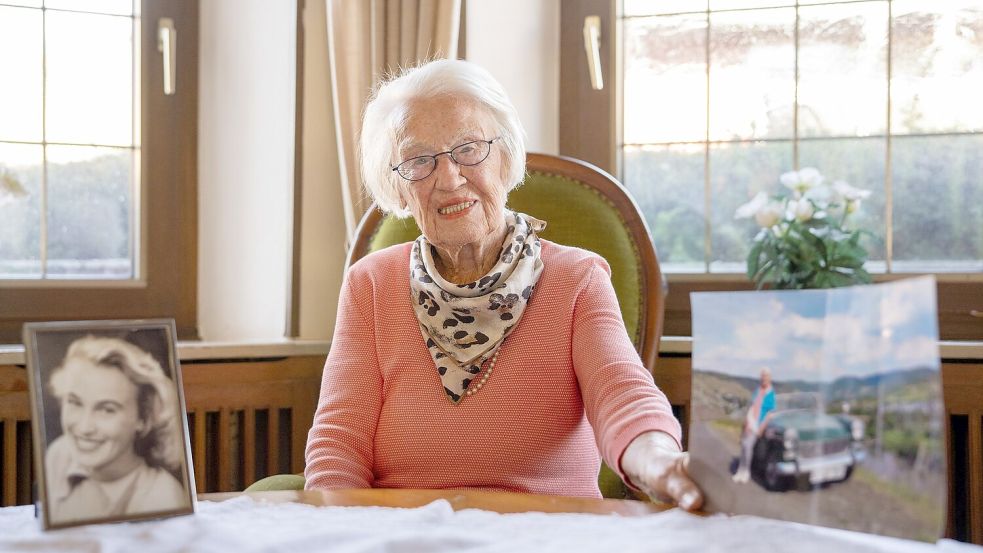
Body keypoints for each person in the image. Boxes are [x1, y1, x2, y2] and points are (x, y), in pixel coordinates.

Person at [304, 59, 703, 511]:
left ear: (507, 157)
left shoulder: (577, 279)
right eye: (419, 160)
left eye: (469, 148)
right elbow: (338, 443)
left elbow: (622, 395)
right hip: (402, 536)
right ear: (397, 186)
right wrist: (340, 531)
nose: (449, 178)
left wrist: (661, 461)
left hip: (544, 536)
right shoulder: (370, 285)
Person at [45, 336, 188, 523]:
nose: (84, 427)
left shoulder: (162, 498)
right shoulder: (59, 454)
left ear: (143, 419)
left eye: (107, 409)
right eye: (75, 403)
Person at [732, 367, 776, 484]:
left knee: (747, 447)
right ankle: (740, 471)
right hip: (750, 420)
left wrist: (761, 427)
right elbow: (752, 406)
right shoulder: (758, 390)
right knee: (744, 446)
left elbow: (769, 413)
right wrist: (746, 421)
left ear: (770, 378)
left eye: (766, 376)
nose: (764, 378)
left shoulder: (771, 393)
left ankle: (746, 471)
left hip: (758, 423)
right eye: (763, 376)